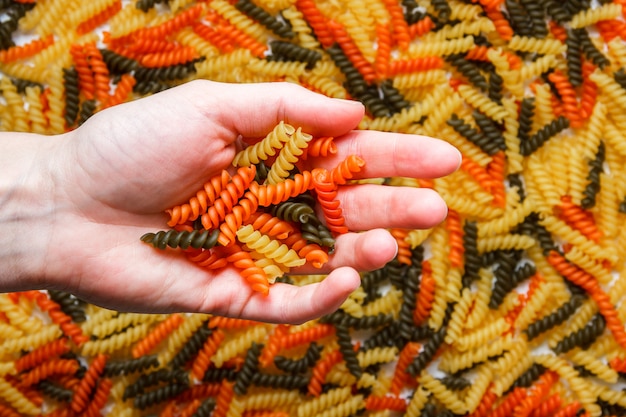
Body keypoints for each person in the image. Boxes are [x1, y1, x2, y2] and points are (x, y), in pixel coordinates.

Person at [0, 80, 461, 324]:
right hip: (234, 215)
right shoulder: (231, 201)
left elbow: (266, 207)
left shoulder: (256, 194)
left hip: (245, 213)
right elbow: (237, 216)